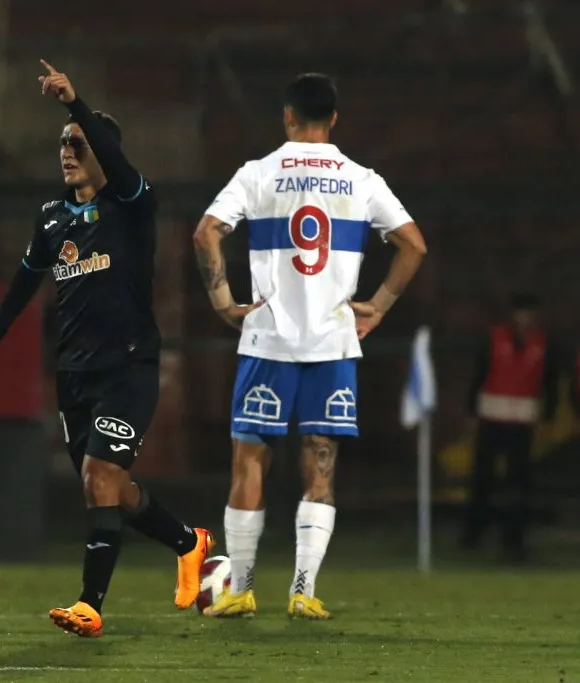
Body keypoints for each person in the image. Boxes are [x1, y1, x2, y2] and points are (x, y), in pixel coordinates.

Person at [0, 60, 214, 638]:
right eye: (62, 144)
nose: (67, 151)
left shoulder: (132, 205)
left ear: (104, 151)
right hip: (74, 372)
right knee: (110, 489)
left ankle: (89, 604)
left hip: (127, 366)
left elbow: (113, 159)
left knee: (100, 480)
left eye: (78, 143)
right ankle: (188, 542)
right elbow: (28, 278)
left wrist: (75, 105)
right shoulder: (52, 217)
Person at [192, 73, 427, 620]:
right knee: (320, 467)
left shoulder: (258, 173)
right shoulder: (362, 178)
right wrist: (380, 304)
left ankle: (242, 588)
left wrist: (226, 303)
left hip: (267, 342)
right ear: (335, 119)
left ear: (287, 116)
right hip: (333, 342)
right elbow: (413, 245)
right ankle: (302, 589)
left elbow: (206, 233)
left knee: (249, 463)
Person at [462, 293, 557, 561]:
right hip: (491, 417)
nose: (525, 319)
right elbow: (479, 374)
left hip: (523, 421)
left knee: (519, 482)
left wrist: (548, 416)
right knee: (483, 479)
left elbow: (548, 382)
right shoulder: (494, 339)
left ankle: (514, 537)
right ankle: (474, 533)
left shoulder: (543, 344)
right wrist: (471, 410)